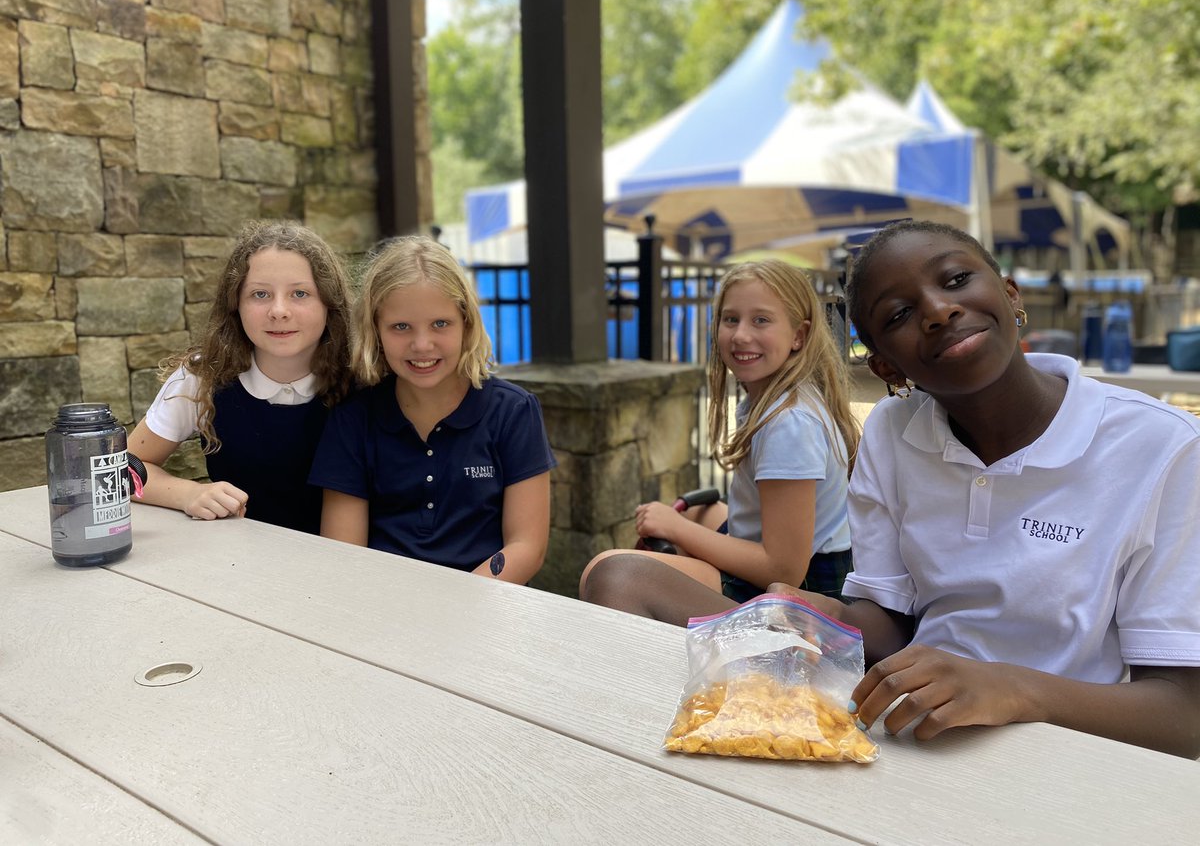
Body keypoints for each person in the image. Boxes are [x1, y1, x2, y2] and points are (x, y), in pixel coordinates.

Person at [769, 219, 1200, 758]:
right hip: (913, 739)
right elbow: (891, 624)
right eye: (899, 314)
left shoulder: (1163, 447)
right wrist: (825, 618)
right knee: (630, 575)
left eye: (954, 280)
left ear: (1010, 293)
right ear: (886, 366)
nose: (938, 311)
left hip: (1072, 758)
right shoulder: (892, 429)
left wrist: (1013, 689)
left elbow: (1184, 718)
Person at [579, 259, 860, 625]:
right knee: (700, 511)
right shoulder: (773, 399)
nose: (741, 335)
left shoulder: (789, 423)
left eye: (761, 320)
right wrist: (684, 526)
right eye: (731, 319)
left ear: (799, 335)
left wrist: (676, 529)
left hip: (803, 598)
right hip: (796, 570)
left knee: (607, 573)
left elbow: (784, 569)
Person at [309, 235, 555, 584]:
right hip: (383, 606)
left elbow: (527, 546)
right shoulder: (353, 419)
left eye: (440, 323)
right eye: (400, 327)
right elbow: (344, 554)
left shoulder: (514, 412)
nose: (422, 344)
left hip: (487, 603)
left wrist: (459, 605)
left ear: (466, 323)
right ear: (375, 331)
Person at [128, 220, 353, 534]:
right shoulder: (203, 376)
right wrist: (188, 493)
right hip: (239, 560)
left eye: (300, 293)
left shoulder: (361, 377)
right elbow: (122, 470)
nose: (278, 311)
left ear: (330, 302)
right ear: (235, 304)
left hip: (344, 562)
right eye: (260, 294)